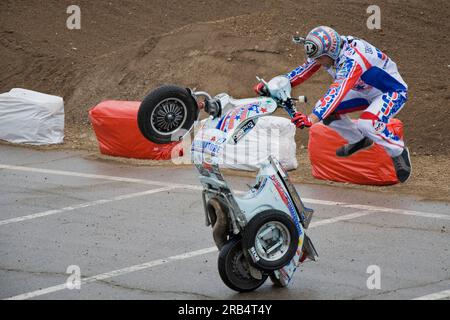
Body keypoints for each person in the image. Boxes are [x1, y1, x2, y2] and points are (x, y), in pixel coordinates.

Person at [254, 26, 411, 183]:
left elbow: (337, 92)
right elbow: (302, 71)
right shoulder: (330, 49)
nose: (317, 62)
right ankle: (358, 139)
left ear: (332, 52)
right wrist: (273, 86)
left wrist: (312, 118)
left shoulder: (352, 60)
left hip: (391, 92)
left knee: (367, 124)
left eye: (320, 58)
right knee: (326, 111)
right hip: (365, 90)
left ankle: (398, 151)